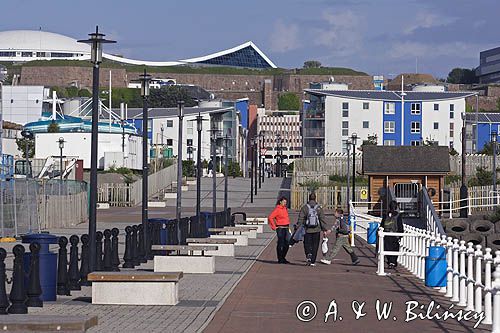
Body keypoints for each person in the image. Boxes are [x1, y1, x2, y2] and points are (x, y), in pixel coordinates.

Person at [297, 193, 330, 266]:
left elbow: (301, 218)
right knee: (315, 245)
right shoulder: (319, 208)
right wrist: (324, 229)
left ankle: (308, 254)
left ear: (308, 198)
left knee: (307, 244)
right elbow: (322, 219)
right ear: (315, 198)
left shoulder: (305, 207)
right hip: (316, 229)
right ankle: (313, 261)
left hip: (307, 229)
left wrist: (298, 226)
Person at [380, 200, 404, 269]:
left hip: (386, 234)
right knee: (395, 248)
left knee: (387, 248)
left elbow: (382, 225)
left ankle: (389, 261)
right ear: (396, 207)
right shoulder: (398, 215)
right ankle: (393, 262)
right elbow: (400, 226)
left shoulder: (386, 215)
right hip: (395, 235)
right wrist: (400, 235)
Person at [268, 196, 291, 264]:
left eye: (285, 202)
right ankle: (280, 258)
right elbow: (270, 217)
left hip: (286, 227)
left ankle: (283, 257)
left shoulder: (285, 209)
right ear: (280, 202)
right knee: (280, 243)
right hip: (280, 228)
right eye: (283, 202)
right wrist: (274, 227)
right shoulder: (277, 209)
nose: (285, 203)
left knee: (287, 243)